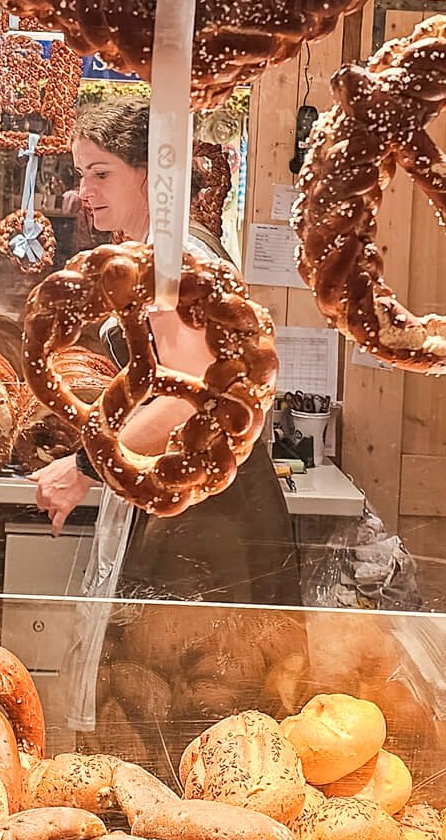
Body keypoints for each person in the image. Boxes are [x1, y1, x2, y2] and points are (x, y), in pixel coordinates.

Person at [31, 94, 297, 606]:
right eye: (81, 174)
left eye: (100, 174)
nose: (84, 191)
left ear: (149, 173)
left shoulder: (175, 260)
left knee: (188, 676)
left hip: (206, 514)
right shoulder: (159, 249)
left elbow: (192, 397)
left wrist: (87, 467)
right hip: (192, 495)